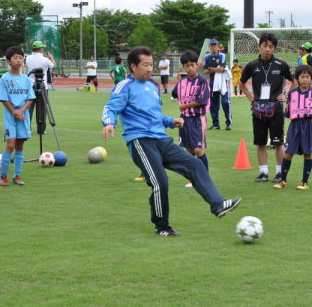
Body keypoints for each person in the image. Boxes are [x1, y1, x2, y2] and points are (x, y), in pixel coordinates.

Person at [101, 46, 241, 237]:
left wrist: (169, 121)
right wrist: (109, 123)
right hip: (141, 141)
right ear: (133, 66)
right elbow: (110, 108)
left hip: (162, 139)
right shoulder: (124, 86)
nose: (150, 69)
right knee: (160, 182)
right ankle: (162, 227)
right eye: (145, 65)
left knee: (195, 164)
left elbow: (154, 114)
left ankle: (217, 204)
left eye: (151, 64)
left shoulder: (153, 86)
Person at [238, 32, 296, 184]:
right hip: (258, 108)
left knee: (278, 142)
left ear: (274, 49)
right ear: (259, 47)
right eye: (265, 46)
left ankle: (279, 173)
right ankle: (263, 173)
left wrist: (287, 96)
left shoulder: (281, 65)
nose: (267, 49)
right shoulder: (252, 65)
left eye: (271, 47)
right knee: (261, 142)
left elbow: (294, 81)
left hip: (276, 107)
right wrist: (251, 98)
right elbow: (241, 84)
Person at [273, 65, 312, 190]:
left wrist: (311, 125)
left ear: (311, 78)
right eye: (302, 77)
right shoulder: (292, 94)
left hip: (308, 125)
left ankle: (304, 182)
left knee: (307, 154)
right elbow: (289, 113)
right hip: (295, 125)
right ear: (297, 78)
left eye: (307, 77)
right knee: (288, 153)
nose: (305, 79)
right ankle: (283, 181)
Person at [0, 47, 36, 186]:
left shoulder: (26, 79)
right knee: (10, 144)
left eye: (20, 57)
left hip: (23, 115)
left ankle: (17, 175)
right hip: (10, 115)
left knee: (20, 145)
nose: (18, 60)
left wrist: (21, 111)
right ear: (8, 61)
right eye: (15, 58)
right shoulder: (5, 79)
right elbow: (3, 98)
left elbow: (30, 98)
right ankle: (2, 176)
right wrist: (14, 111)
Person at [172, 50, 211, 188]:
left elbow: (202, 100)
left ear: (197, 65)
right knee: (189, 150)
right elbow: (174, 94)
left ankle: (204, 178)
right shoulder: (182, 82)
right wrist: (181, 105)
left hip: (197, 119)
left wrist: (184, 106)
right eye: (187, 65)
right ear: (183, 67)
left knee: (198, 150)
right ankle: (193, 178)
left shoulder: (202, 81)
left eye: (192, 65)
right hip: (185, 120)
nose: (190, 68)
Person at [204, 39, 232, 130]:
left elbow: (222, 69)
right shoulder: (207, 57)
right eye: (211, 45)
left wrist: (211, 68)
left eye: (214, 45)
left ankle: (228, 122)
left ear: (217, 46)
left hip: (222, 81)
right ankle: (216, 124)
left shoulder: (222, 55)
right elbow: (205, 71)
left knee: (225, 102)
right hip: (212, 82)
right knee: (213, 103)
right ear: (209, 46)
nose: (213, 47)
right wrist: (216, 69)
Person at [25, 41, 55, 123]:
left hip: (30, 85)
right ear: (41, 48)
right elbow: (53, 66)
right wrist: (51, 57)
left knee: (29, 107)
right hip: (42, 86)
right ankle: (41, 129)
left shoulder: (28, 58)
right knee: (42, 108)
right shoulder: (45, 59)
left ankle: (26, 127)